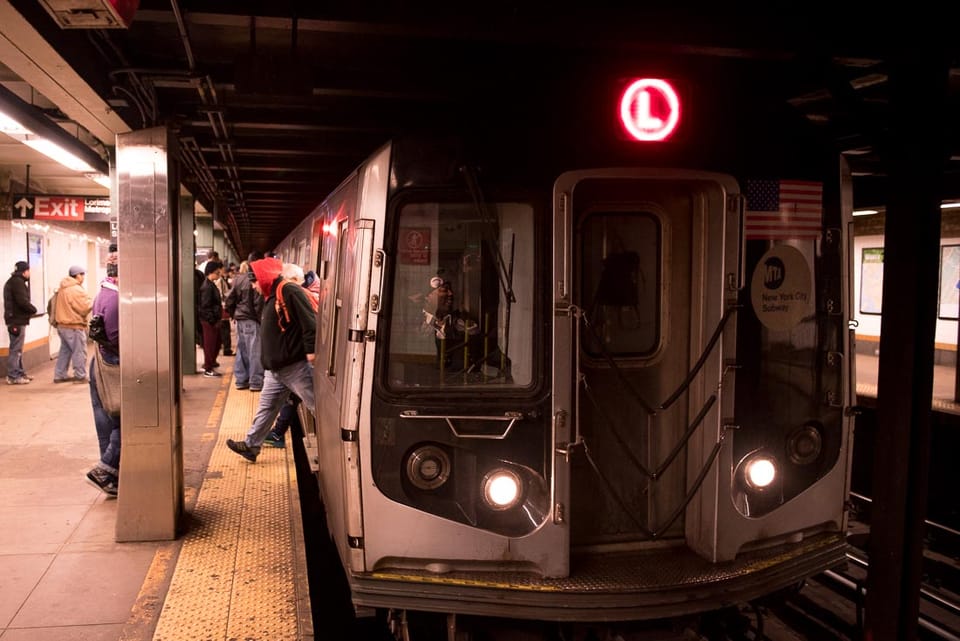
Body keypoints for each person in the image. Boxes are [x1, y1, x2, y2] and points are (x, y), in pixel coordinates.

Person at [226, 258, 317, 463]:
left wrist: (311, 351)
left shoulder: (289, 291)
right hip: (276, 370)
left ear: (264, 278)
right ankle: (251, 446)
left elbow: (309, 322)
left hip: (294, 367)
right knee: (266, 409)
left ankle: (339, 440)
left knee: (317, 405)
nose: (253, 286)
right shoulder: (271, 295)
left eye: (254, 281)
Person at [86, 249, 120, 496]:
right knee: (127, 419)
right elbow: (118, 338)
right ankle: (105, 468)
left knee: (106, 420)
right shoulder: (117, 299)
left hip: (100, 361)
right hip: (114, 365)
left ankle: (110, 475)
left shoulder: (104, 291)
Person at [224, 251, 265, 391]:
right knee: (255, 351)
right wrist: (261, 321)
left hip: (240, 320)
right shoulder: (256, 279)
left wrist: (233, 315)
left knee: (242, 350)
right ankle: (256, 382)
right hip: (252, 320)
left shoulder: (238, 279)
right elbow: (258, 304)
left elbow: (229, 300)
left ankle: (241, 380)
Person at [53, 265, 93, 383]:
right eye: (82, 274)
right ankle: (80, 375)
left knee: (65, 351)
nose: (83, 277)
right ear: (77, 275)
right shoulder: (75, 289)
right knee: (79, 351)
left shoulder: (63, 288)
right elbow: (84, 307)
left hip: (62, 325)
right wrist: (93, 302)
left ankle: (59, 375)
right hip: (73, 326)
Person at [3, 260, 37, 385]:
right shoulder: (17, 283)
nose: (29, 273)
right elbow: (22, 301)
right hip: (16, 321)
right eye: (29, 270)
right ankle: (13, 376)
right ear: (24, 271)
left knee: (18, 349)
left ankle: (20, 372)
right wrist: (33, 309)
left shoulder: (14, 282)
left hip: (15, 320)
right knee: (16, 349)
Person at [198, 260, 224, 377]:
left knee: (216, 343)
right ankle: (208, 368)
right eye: (217, 273)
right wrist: (212, 320)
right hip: (209, 321)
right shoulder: (207, 287)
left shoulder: (210, 284)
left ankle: (210, 363)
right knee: (210, 345)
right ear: (211, 272)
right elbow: (205, 306)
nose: (219, 275)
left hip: (212, 320)